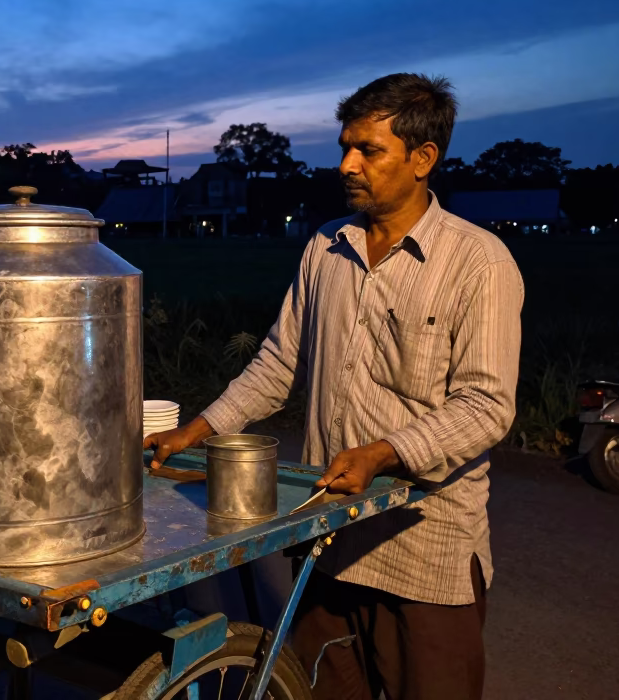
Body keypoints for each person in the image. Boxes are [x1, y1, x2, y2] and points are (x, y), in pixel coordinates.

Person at [145, 73, 523, 700]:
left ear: (423, 158)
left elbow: (486, 407)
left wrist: (384, 452)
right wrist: (198, 429)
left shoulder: (478, 263)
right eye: (346, 145)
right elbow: (277, 363)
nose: (347, 164)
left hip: (424, 548)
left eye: (369, 150)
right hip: (329, 537)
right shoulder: (326, 247)